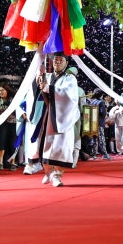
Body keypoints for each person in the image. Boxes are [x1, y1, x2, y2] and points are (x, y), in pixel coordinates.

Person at [35, 52, 80, 187]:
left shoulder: (70, 79)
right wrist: (39, 80)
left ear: (66, 63)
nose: (58, 62)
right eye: (55, 59)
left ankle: (57, 175)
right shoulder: (48, 76)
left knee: (62, 147)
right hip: (49, 116)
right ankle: (48, 172)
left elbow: (68, 96)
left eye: (61, 60)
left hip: (63, 118)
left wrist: (48, 88)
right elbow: (39, 88)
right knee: (46, 145)